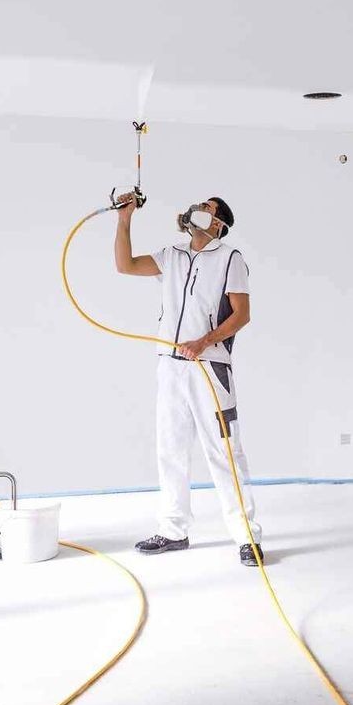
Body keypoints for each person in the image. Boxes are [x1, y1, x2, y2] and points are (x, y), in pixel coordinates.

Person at [113, 194, 263, 566]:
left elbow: (242, 314)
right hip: (170, 366)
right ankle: (173, 530)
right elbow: (125, 265)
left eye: (207, 208)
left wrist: (204, 341)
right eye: (199, 204)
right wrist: (125, 219)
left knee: (224, 452)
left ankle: (247, 537)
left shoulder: (230, 258)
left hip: (210, 368)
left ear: (218, 224)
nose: (199, 208)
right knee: (171, 449)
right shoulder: (172, 255)